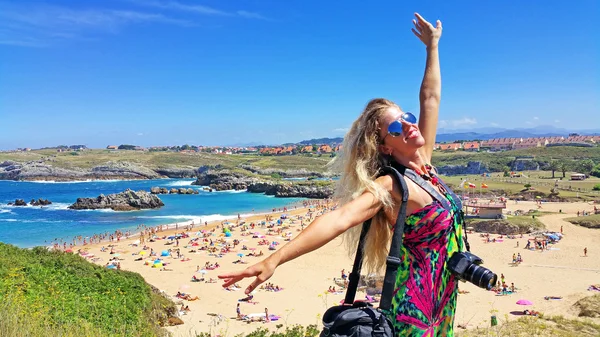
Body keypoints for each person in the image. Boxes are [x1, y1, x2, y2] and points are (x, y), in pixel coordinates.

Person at [219, 13, 459, 336]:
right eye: (395, 126)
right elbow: (338, 219)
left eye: (407, 117)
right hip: (414, 316)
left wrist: (433, 47)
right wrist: (275, 258)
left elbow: (430, 98)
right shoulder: (392, 185)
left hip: (441, 308)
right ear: (385, 147)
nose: (408, 124)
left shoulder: (426, 165)